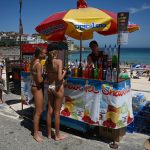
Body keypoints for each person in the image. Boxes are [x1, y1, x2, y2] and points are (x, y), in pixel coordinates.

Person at [46, 42, 67, 141]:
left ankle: (49, 134)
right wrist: (64, 73)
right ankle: (57, 136)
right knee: (57, 113)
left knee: (49, 111)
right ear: (55, 52)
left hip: (50, 87)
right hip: (58, 87)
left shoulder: (46, 61)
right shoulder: (59, 61)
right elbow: (59, 78)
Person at [30, 47, 47, 143]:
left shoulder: (34, 62)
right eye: (44, 53)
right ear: (40, 54)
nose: (45, 54)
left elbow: (34, 76)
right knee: (39, 111)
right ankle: (36, 133)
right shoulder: (39, 64)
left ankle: (35, 128)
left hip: (33, 87)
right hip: (37, 88)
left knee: (36, 110)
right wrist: (45, 77)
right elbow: (40, 80)